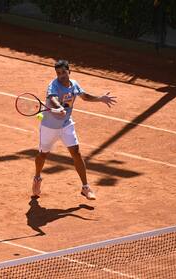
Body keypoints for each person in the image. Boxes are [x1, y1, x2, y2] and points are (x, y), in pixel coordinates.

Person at [32, 60, 117, 200]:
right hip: (49, 127)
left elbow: (84, 96)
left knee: (76, 153)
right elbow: (52, 98)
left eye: (63, 72)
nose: (61, 76)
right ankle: (37, 178)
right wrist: (59, 107)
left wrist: (100, 98)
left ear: (69, 71)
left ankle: (85, 187)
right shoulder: (53, 86)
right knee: (42, 155)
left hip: (66, 124)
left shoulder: (74, 84)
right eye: (58, 73)